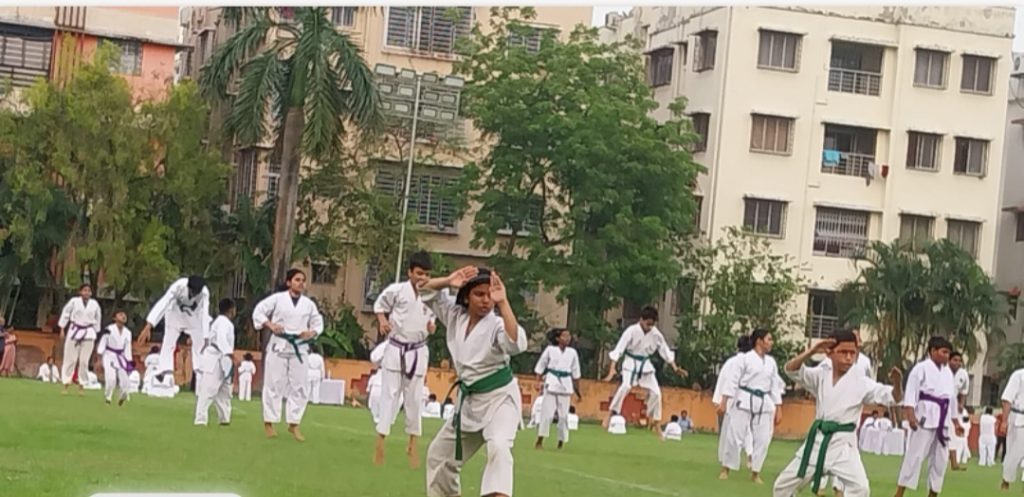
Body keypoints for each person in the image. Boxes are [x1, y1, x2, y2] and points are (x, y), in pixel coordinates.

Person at [419, 266, 526, 497]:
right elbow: (423, 289)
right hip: (469, 403)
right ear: (466, 296)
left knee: (499, 447)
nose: (486, 300)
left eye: (489, 295)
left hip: (500, 400)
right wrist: (448, 280)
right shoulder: (455, 315)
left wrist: (503, 302)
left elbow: (515, 344)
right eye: (479, 294)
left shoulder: (496, 324)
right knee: (439, 456)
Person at [772, 329, 904, 497]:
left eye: (852, 353)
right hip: (818, 441)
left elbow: (893, 397)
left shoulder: (861, 382)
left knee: (861, 489)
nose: (848, 357)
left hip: (844, 445)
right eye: (843, 352)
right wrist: (813, 351)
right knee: (782, 486)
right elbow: (792, 370)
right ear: (829, 353)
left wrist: (898, 383)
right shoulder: (821, 375)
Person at [372, 251, 438, 467]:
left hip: (418, 350)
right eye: (419, 273)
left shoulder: (431, 294)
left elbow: (433, 320)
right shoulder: (397, 290)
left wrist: (432, 327)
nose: (422, 278)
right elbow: (379, 306)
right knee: (389, 396)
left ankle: (412, 445)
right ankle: (380, 442)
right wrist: (382, 321)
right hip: (396, 348)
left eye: (426, 274)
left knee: (415, 400)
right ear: (410, 272)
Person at [252, 268, 324, 441]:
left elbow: (318, 322)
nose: (301, 283)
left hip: (299, 346)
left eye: (303, 280)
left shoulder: (308, 304)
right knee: (274, 384)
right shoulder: (278, 299)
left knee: (300, 385)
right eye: (297, 280)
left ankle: (294, 423)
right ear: (289, 282)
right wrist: (270, 325)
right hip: (279, 344)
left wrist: (311, 332)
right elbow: (258, 311)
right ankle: (269, 423)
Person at [893, 336, 964, 497]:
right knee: (915, 456)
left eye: (948, 353)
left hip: (943, 419)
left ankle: (933, 494)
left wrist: (956, 422)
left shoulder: (947, 373)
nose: (947, 356)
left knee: (940, 460)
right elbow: (911, 392)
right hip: (924, 416)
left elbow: (951, 398)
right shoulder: (920, 368)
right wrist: (911, 415)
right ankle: (899, 493)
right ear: (933, 351)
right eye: (944, 352)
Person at [604, 306, 688, 436]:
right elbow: (619, 349)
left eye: (652, 324)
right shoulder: (631, 331)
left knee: (657, 393)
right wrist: (612, 369)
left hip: (645, 364)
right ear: (641, 320)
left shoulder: (656, 334)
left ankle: (655, 422)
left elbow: (665, 350)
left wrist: (675, 367)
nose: (649, 327)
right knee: (625, 386)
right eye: (648, 324)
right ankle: (610, 414)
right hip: (630, 362)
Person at [720, 328, 785, 484]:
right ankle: (726, 468)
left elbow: (774, 386)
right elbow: (733, 380)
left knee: (763, 439)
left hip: (764, 401)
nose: (771, 343)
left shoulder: (771, 362)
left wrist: (779, 408)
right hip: (744, 398)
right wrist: (724, 401)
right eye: (769, 339)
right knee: (734, 435)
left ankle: (756, 472)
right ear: (759, 341)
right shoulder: (744, 359)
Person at [136, 276, 210, 383]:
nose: (194, 295)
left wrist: (206, 336)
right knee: (168, 342)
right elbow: (164, 302)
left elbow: (205, 314)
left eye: (196, 293)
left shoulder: (204, 293)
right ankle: (165, 372)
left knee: (200, 345)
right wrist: (149, 325)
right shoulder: (179, 286)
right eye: (192, 292)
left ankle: (201, 373)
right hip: (175, 314)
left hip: (194, 318)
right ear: (188, 287)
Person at [534, 327, 582, 450]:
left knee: (563, 416)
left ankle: (561, 441)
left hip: (565, 385)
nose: (567, 338)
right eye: (564, 336)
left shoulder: (572, 353)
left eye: (568, 336)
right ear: (557, 338)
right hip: (551, 382)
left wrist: (578, 392)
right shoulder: (550, 350)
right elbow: (541, 366)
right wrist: (537, 382)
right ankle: (540, 439)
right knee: (547, 414)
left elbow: (576, 373)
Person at [716, 335, 754, 476]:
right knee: (745, 432)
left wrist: (720, 401)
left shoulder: (733, 362)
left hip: (733, 403)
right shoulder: (745, 362)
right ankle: (748, 457)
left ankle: (726, 467)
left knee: (730, 435)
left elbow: (724, 380)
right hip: (741, 402)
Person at [195, 298, 236, 426]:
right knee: (209, 389)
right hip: (215, 357)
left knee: (224, 391)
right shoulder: (223, 322)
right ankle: (200, 419)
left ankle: (224, 419)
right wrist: (230, 353)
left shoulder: (223, 322)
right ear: (231, 310)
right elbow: (221, 339)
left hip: (223, 358)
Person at [58, 284, 102, 394]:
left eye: (88, 291)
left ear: (91, 293)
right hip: (74, 331)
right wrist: (62, 328)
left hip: (89, 333)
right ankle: (66, 383)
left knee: (84, 361)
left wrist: (96, 332)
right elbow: (65, 314)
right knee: (70, 359)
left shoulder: (94, 304)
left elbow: (98, 318)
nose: (86, 292)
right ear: (80, 292)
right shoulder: (74, 301)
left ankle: (82, 385)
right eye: (84, 290)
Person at [97, 310, 133, 405]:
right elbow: (103, 343)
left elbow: (128, 348)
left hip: (121, 357)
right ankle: (108, 397)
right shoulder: (109, 329)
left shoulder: (128, 332)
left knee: (125, 379)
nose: (123, 316)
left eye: (124, 314)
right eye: (120, 314)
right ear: (114, 318)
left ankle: (123, 396)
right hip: (109, 355)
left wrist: (129, 361)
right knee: (111, 378)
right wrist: (99, 358)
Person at [1001, 366, 1024, 490]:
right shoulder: (1019, 375)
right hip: (1017, 418)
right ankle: (1006, 480)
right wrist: (1004, 421)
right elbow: (1007, 399)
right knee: (1013, 453)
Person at [948, 351, 970, 471]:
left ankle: (954, 462)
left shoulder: (963, 374)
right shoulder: (943, 371)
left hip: (952, 406)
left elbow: (964, 391)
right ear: (949, 360)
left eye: (959, 361)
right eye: (955, 360)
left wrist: (961, 403)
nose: (957, 363)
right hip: (938, 404)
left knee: (952, 433)